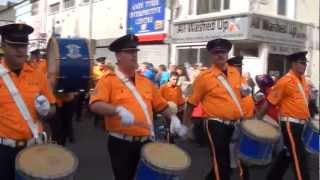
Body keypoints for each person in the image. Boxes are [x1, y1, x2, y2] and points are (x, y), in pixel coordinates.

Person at [89, 34, 186, 180]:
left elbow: (161, 105)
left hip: (147, 142)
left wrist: (173, 118)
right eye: (129, 52)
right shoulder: (108, 80)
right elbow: (95, 105)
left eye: (135, 52)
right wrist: (117, 110)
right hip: (122, 143)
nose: (134, 55)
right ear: (119, 56)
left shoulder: (145, 81)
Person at [183, 38, 249, 180]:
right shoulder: (204, 77)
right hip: (214, 124)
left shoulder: (235, 73)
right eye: (216, 52)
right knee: (221, 161)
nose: (220, 55)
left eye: (223, 52)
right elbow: (191, 103)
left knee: (224, 162)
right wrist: (187, 126)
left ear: (227, 53)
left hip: (234, 123)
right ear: (211, 55)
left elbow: (238, 97)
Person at [0, 23, 56, 180]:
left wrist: (47, 109)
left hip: (33, 148)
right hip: (3, 151)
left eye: (24, 45)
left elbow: (52, 108)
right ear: (3, 45)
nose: (20, 50)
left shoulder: (37, 75)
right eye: (14, 45)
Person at [257, 51, 311, 180]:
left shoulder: (303, 80)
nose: (305, 66)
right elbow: (269, 101)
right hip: (290, 124)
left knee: (287, 154)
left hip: (301, 124)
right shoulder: (285, 81)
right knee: (299, 157)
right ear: (293, 64)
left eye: (305, 63)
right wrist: (257, 120)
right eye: (302, 63)